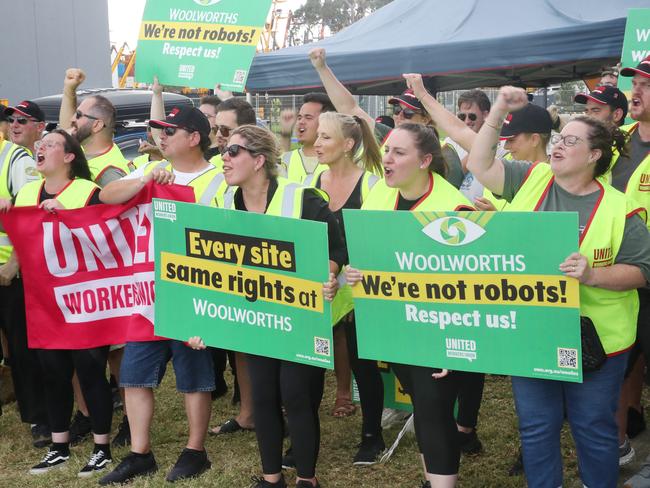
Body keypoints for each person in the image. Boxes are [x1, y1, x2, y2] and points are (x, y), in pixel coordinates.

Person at [466, 85, 650, 488]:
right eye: (559, 138)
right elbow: (479, 164)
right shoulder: (531, 178)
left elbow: (643, 270)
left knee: (594, 430)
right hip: (533, 330)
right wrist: (497, 108)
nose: (558, 146)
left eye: (571, 140)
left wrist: (594, 276)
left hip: (599, 342)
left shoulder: (621, 208)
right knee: (536, 428)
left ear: (595, 155)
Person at [98, 106, 223, 485]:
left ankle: (195, 451)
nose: (161, 136)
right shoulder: (148, 168)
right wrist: (144, 180)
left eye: (170, 130)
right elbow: (106, 195)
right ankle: (140, 453)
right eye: (159, 130)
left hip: (192, 291)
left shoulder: (218, 178)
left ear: (194, 138)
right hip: (147, 294)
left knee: (194, 376)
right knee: (135, 376)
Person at [217, 124, 345, 488]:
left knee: (296, 395)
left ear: (258, 161)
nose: (224, 159)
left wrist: (330, 273)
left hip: (301, 317)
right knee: (263, 395)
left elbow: (337, 247)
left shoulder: (302, 197)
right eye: (223, 151)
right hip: (257, 316)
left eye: (233, 151)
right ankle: (272, 478)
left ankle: (307, 478)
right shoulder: (226, 203)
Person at [347, 123, 473, 488]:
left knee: (433, 410)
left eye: (398, 153)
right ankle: (433, 478)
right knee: (422, 404)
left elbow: (472, 285)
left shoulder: (454, 207)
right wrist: (359, 272)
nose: (386, 158)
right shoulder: (378, 197)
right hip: (395, 324)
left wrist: (454, 344)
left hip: (442, 328)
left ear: (425, 160)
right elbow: (373, 257)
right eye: (387, 150)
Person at [8, 129, 113, 478]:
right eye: (41, 144)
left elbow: (107, 236)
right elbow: (23, 240)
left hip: (84, 300)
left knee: (90, 370)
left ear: (69, 157)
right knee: (52, 372)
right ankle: (59, 446)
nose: (40, 148)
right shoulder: (25, 193)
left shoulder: (87, 190)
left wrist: (66, 214)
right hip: (45, 300)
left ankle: (102, 447)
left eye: (51, 144)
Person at [303, 112, 385, 465]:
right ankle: (303, 438)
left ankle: (372, 435)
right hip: (319, 287)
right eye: (317, 136)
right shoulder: (311, 181)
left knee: (363, 364)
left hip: (357, 290)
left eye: (325, 137)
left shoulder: (371, 185)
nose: (316, 143)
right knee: (308, 364)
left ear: (348, 145)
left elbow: (374, 241)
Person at [307, 48, 464, 189]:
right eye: (396, 110)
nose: (399, 116)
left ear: (426, 119)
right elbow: (349, 108)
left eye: (408, 113)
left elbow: (449, 199)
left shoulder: (445, 152)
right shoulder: (387, 137)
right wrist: (322, 68)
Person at [0, 133, 45, 447]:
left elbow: (30, 216)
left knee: (22, 349)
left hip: (8, 275)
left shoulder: (14, 159)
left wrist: (14, 263)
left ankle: (39, 417)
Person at [58, 68, 132, 186]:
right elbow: (66, 130)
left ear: (96, 125)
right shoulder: (84, 148)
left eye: (78, 115)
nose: (72, 119)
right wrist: (69, 89)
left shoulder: (110, 173)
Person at [278, 93, 336, 183]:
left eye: (308, 117)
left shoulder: (338, 161)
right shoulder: (286, 159)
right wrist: (286, 132)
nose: (301, 122)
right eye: (299, 117)